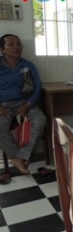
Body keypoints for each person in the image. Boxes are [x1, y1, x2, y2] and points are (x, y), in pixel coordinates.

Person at [0, 34, 47, 177]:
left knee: (40, 119)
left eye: (18, 44)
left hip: (25, 103)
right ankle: (17, 158)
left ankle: (20, 157)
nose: (17, 47)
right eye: (11, 44)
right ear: (2, 49)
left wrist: (28, 105)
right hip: (4, 105)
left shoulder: (28, 66)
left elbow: (37, 87)